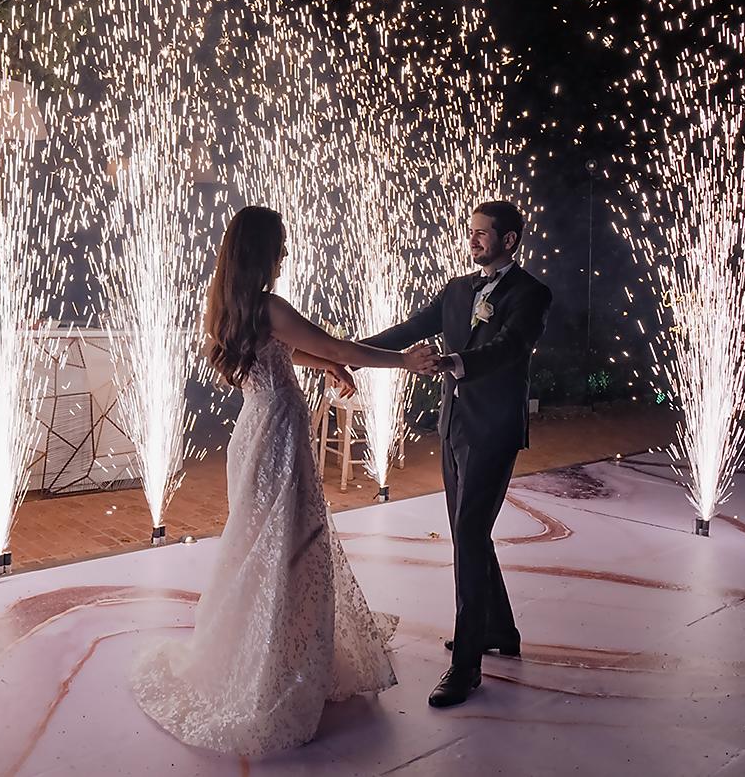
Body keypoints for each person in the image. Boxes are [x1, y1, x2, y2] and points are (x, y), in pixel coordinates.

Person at [130, 205, 440, 756]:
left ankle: (273, 653)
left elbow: (284, 349)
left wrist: (321, 364)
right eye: (281, 244)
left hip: (254, 431)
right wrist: (404, 359)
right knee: (289, 546)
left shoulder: (230, 302)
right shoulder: (272, 305)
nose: (287, 253)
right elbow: (338, 346)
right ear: (264, 251)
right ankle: (277, 669)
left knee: (264, 547)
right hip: (277, 435)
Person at [362, 200, 552, 708]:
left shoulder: (531, 293)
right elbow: (408, 330)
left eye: (483, 234)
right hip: (454, 428)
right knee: (470, 534)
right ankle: (501, 632)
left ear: (509, 240)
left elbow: (511, 347)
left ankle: (466, 665)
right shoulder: (456, 290)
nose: (472, 240)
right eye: (470, 232)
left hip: (493, 430)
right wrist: (352, 353)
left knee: (469, 535)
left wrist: (453, 361)